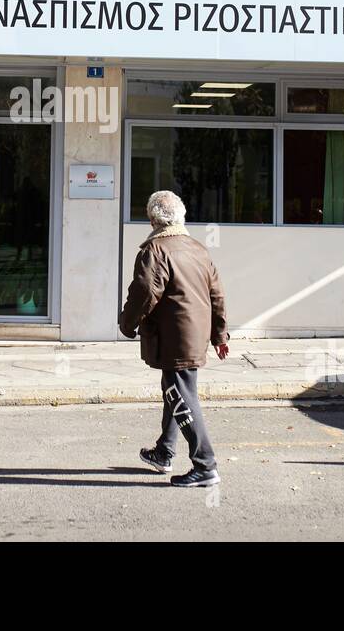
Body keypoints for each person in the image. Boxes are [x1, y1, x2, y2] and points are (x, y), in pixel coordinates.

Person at [119, 190, 229, 487]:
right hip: (194, 334)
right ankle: (164, 452)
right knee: (177, 390)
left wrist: (126, 324)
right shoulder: (197, 249)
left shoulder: (155, 251)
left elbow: (144, 293)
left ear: (153, 219)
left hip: (173, 334)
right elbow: (216, 293)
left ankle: (205, 465)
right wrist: (219, 334)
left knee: (180, 395)